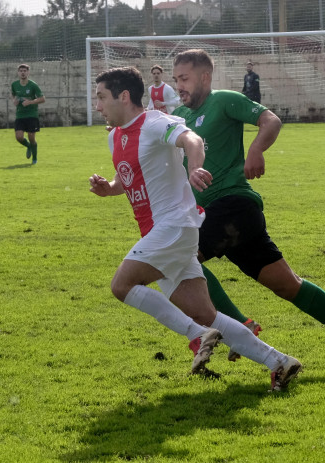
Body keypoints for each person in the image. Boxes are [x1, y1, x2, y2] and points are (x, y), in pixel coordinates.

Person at [89, 66, 301, 391]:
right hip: (164, 234)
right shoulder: (114, 136)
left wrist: (195, 166)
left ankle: (196, 337)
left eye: (102, 97)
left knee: (122, 285)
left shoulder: (155, 122)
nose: (97, 105)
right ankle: (280, 362)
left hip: (174, 226)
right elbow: (129, 178)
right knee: (206, 314)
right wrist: (111, 188)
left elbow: (192, 139)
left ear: (124, 96)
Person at [171, 49, 325, 369]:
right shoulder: (179, 116)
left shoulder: (224, 99)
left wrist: (256, 148)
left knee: (178, 257)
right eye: (176, 79)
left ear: (204, 77)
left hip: (234, 205)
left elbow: (270, 120)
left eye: (184, 78)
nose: (179, 85)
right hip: (221, 215)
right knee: (289, 285)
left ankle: (239, 325)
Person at [11, 64, 46, 165]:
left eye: (24, 71)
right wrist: (14, 101)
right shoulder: (14, 85)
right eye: (21, 71)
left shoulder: (33, 85)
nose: (23, 73)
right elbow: (13, 95)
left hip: (32, 115)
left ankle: (34, 158)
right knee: (19, 137)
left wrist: (30, 102)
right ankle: (29, 146)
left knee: (31, 138)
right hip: (20, 115)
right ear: (18, 73)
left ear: (28, 72)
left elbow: (43, 99)